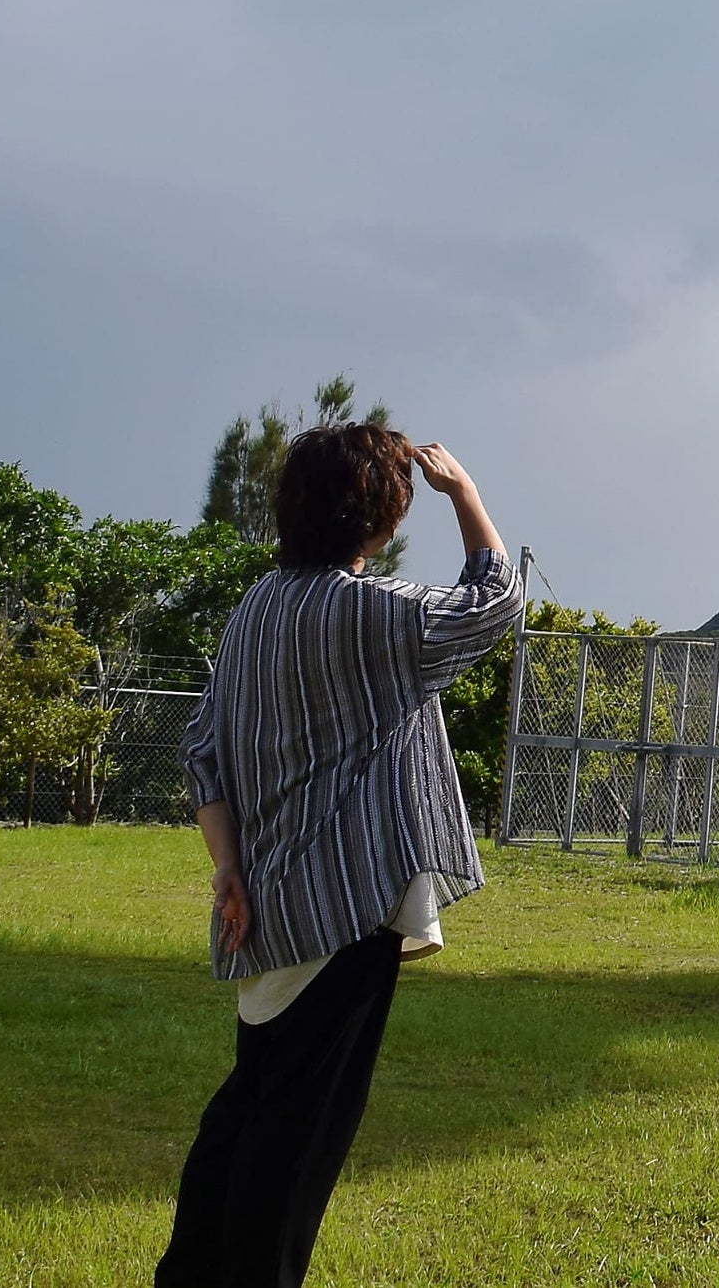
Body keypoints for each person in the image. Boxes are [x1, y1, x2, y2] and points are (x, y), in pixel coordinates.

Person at [158, 422, 520, 1287]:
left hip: (266, 906)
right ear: (381, 515)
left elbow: (203, 746)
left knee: (249, 1112)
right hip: (345, 906)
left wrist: (227, 866)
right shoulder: (367, 613)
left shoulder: (258, 608)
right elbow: (497, 601)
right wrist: (465, 492)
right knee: (293, 1145)